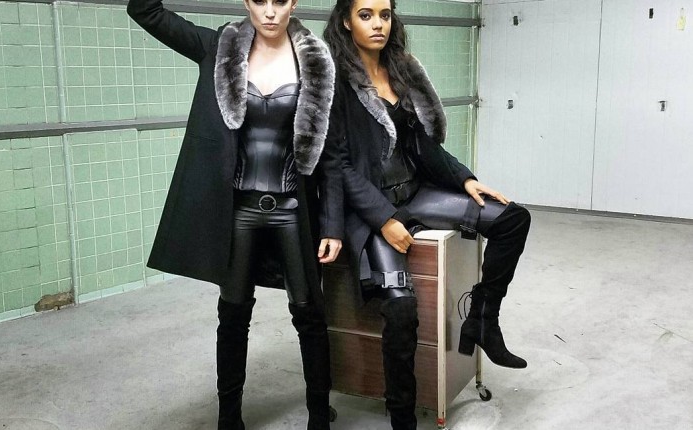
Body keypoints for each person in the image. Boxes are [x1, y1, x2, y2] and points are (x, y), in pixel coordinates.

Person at [127, 0, 343, 429]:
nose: (269, 11)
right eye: (260, 0)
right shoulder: (218, 47)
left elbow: (333, 156)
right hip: (240, 210)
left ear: (293, 3)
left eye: (279, 1)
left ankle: (319, 414)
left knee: (310, 314)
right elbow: (146, 11)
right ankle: (229, 418)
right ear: (246, 2)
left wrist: (333, 225)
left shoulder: (317, 62)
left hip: (293, 209)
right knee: (233, 314)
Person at [323, 0, 531, 428]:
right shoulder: (334, 80)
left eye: (385, 14)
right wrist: (384, 219)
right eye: (366, 15)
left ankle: (482, 321)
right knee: (401, 310)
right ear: (346, 20)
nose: (378, 24)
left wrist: (465, 179)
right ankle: (402, 417)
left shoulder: (399, 70)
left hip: (416, 194)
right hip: (373, 208)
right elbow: (337, 165)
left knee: (512, 219)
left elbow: (422, 145)